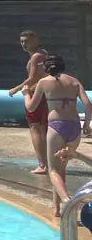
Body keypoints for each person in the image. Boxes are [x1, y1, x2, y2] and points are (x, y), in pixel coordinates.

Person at [24, 54, 92, 216]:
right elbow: (88, 104)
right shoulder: (74, 82)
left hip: (56, 126)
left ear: (46, 68)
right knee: (61, 168)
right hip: (74, 126)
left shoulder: (43, 82)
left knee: (53, 170)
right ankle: (56, 208)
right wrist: (87, 124)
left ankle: (67, 201)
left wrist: (26, 94)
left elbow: (31, 107)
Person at [9, 30, 49, 174]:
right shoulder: (42, 54)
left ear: (36, 40)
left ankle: (42, 165)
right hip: (43, 94)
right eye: (22, 41)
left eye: (27, 41)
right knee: (43, 129)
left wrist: (16, 89)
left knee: (36, 128)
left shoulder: (37, 56)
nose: (24, 44)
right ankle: (46, 163)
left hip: (35, 94)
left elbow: (32, 78)